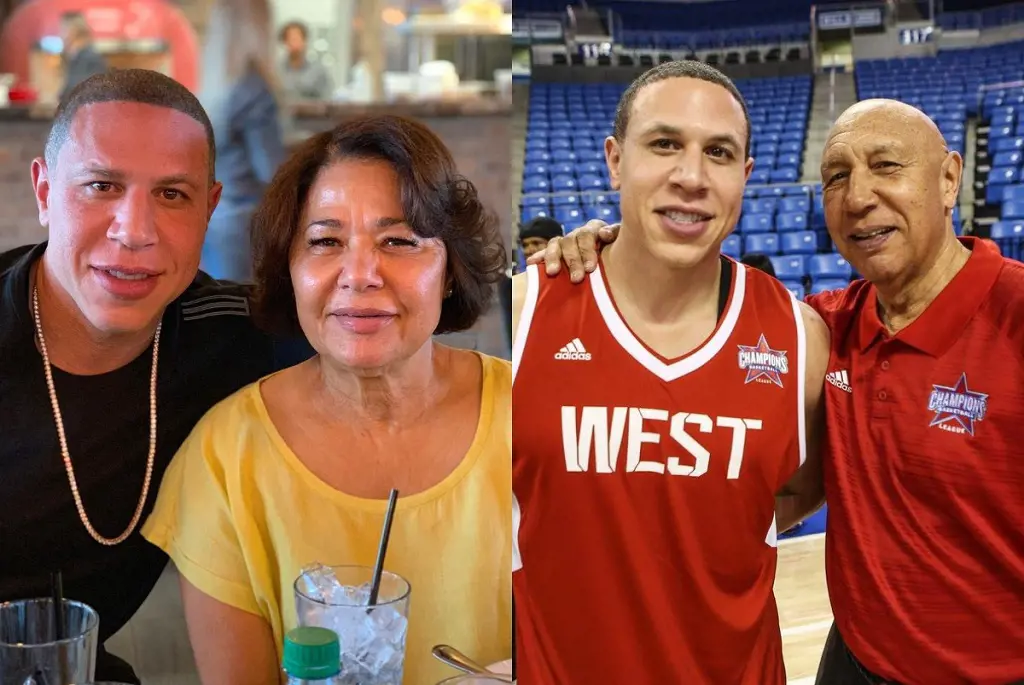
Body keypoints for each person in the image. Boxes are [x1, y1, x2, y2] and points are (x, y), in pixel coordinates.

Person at [531, 98, 1024, 684]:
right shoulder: (822, 330)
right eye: (836, 176)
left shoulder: (1015, 317)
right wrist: (614, 240)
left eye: (886, 166)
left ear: (949, 178)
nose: (859, 196)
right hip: (853, 663)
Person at [141, 115, 512, 685]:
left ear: (449, 271)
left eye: (398, 241)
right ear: (289, 271)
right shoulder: (223, 460)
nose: (360, 274)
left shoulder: (535, 411)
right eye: (325, 241)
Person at [511, 60, 829, 684]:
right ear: (615, 159)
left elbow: (801, 486)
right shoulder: (523, 316)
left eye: (718, 152)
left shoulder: (800, 339)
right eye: (664, 144)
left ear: (745, 176)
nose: (691, 176)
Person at [0, 68, 309, 684]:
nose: (134, 231)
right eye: (100, 185)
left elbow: (390, 334)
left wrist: (555, 266)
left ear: (209, 209)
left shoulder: (232, 335)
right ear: (44, 191)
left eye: (172, 195)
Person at [198, 0, 286, 281]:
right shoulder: (255, 87)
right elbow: (270, 169)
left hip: (211, 216)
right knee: (244, 313)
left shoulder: (214, 87)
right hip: (244, 220)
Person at [57, 12, 107, 103]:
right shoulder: (74, 58)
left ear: (73, 31)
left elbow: (85, 94)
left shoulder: (90, 59)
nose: (60, 34)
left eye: (63, 29)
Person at [279, 20, 333, 100]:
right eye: (290, 39)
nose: (294, 43)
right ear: (284, 42)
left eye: (297, 38)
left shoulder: (318, 71)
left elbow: (327, 100)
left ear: (305, 41)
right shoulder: (275, 71)